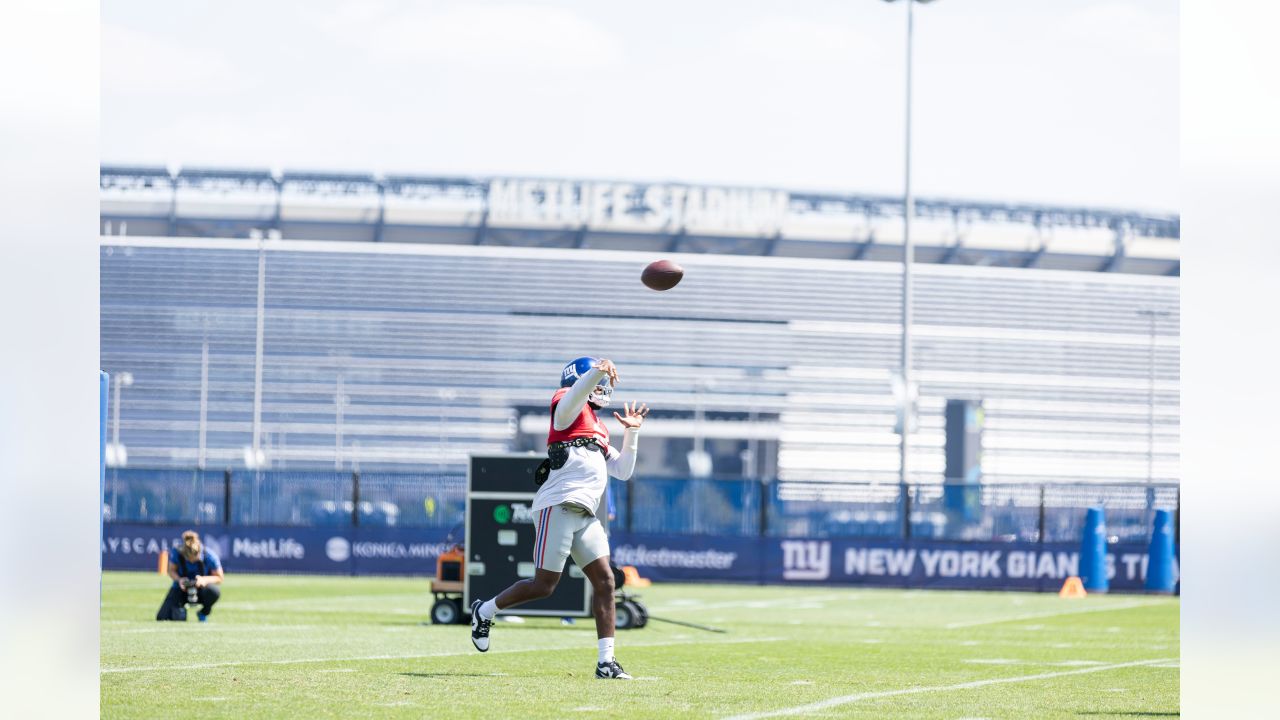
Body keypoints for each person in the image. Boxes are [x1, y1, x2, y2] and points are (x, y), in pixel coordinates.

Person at [470, 356, 649, 679]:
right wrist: (596, 372)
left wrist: (632, 434)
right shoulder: (566, 405)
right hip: (559, 505)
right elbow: (572, 399)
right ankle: (485, 609)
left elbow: (622, 471)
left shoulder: (599, 426)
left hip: (586, 514)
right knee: (544, 585)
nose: (603, 387)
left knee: (606, 581)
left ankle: (606, 662)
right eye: (598, 382)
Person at [155, 529, 224, 622]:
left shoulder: (210, 556)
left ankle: (203, 612)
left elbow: (220, 577)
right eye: (189, 560)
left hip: (201, 590)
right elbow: (171, 571)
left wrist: (204, 580)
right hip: (181, 589)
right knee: (162, 617)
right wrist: (179, 580)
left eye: (195, 559)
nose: (192, 562)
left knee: (214, 592)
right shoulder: (177, 553)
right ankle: (180, 610)